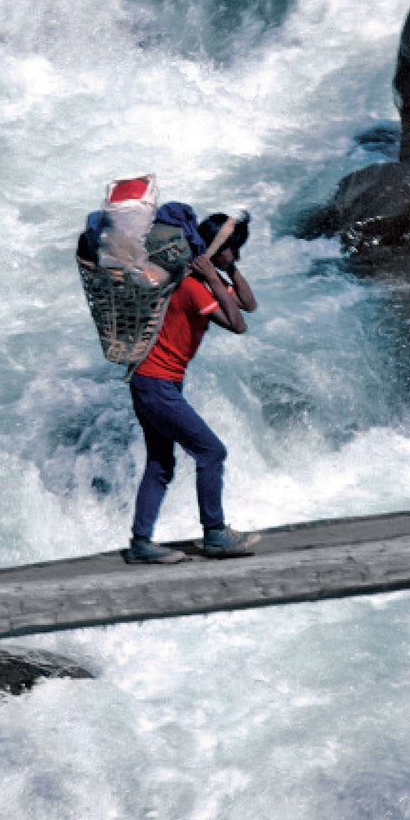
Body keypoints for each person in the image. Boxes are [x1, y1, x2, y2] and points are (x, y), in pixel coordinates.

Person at [122, 211, 261, 564]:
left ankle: (141, 544)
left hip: (153, 381)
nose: (240, 255)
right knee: (212, 452)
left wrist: (227, 272)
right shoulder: (193, 286)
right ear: (219, 250)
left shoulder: (203, 280)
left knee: (160, 463)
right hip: (156, 383)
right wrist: (214, 278)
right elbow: (238, 323)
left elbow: (249, 303)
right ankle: (215, 533)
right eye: (235, 250)